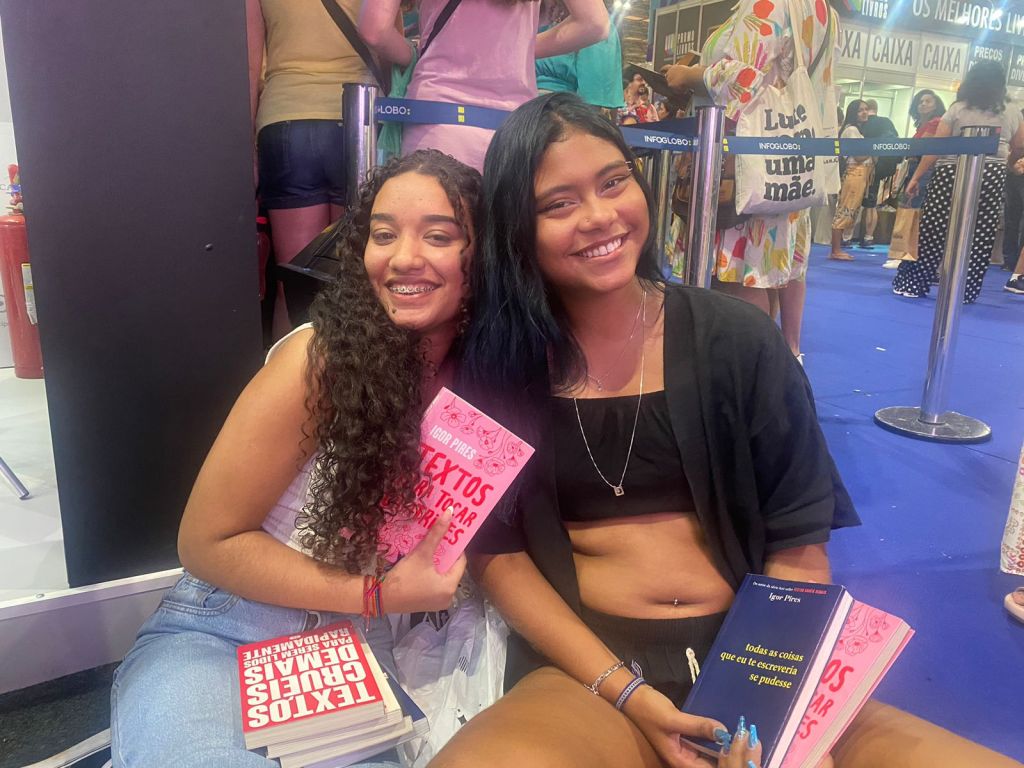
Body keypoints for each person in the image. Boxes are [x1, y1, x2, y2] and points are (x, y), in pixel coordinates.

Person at [431, 90, 857, 768]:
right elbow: (496, 555)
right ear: (518, 228)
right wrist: (626, 692)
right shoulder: (494, 365)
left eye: (613, 183)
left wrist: (775, 717)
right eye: (558, 204)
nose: (600, 217)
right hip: (588, 663)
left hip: (750, 653)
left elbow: (798, 541)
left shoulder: (739, 339)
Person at [109, 150, 480, 767]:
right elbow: (205, 543)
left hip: (355, 650)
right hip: (227, 631)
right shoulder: (319, 360)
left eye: (438, 236)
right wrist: (378, 595)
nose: (403, 258)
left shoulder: (482, 381)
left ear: (481, 256)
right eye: (383, 234)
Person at [659, 0, 840, 360]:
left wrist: (687, 75)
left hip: (745, 164)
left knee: (741, 274)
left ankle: (743, 370)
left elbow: (741, 79)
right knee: (768, 269)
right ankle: (776, 361)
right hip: (790, 163)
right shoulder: (825, 12)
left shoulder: (767, 5)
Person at [245, 0, 374, 338]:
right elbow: (383, 39)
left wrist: (247, 148)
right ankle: (344, 372)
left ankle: (287, 369)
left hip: (286, 121)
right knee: (352, 286)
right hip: (356, 118)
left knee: (293, 288)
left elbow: (248, 66)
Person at [359, 0, 609, 172]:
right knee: (507, 233)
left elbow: (375, 30)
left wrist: (412, 55)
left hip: (437, 118)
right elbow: (594, 24)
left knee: (437, 229)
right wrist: (520, 48)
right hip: (514, 128)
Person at [893, 61, 1024, 303]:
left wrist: (917, 176)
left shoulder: (958, 109)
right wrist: (1008, 163)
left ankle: (917, 282)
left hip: (950, 171)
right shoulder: (1011, 110)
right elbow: (1020, 144)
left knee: (934, 229)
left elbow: (937, 146)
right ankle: (967, 289)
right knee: (981, 233)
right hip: (991, 174)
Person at [883, 90, 946, 269]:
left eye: (928, 101)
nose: (923, 104)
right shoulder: (922, 125)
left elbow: (923, 149)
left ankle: (906, 254)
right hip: (915, 167)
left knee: (913, 210)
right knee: (908, 208)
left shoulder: (935, 123)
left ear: (936, 105)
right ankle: (903, 253)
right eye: (920, 101)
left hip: (923, 168)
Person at [536, 0, 626, 121]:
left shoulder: (597, 28)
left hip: (561, 112)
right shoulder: (539, 13)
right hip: (526, 105)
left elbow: (594, 98)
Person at [830, 100, 873, 261]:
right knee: (845, 210)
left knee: (849, 210)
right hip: (855, 173)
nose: (864, 112)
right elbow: (859, 155)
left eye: (866, 109)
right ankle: (835, 250)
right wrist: (873, 150)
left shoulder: (854, 130)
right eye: (860, 110)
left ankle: (837, 249)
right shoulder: (852, 130)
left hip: (859, 174)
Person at [858, 98, 900, 250]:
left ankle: (847, 236)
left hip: (863, 168)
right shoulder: (886, 123)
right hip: (880, 169)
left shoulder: (863, 125)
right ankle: (868, 236)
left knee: (855, 202)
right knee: (872, 204)